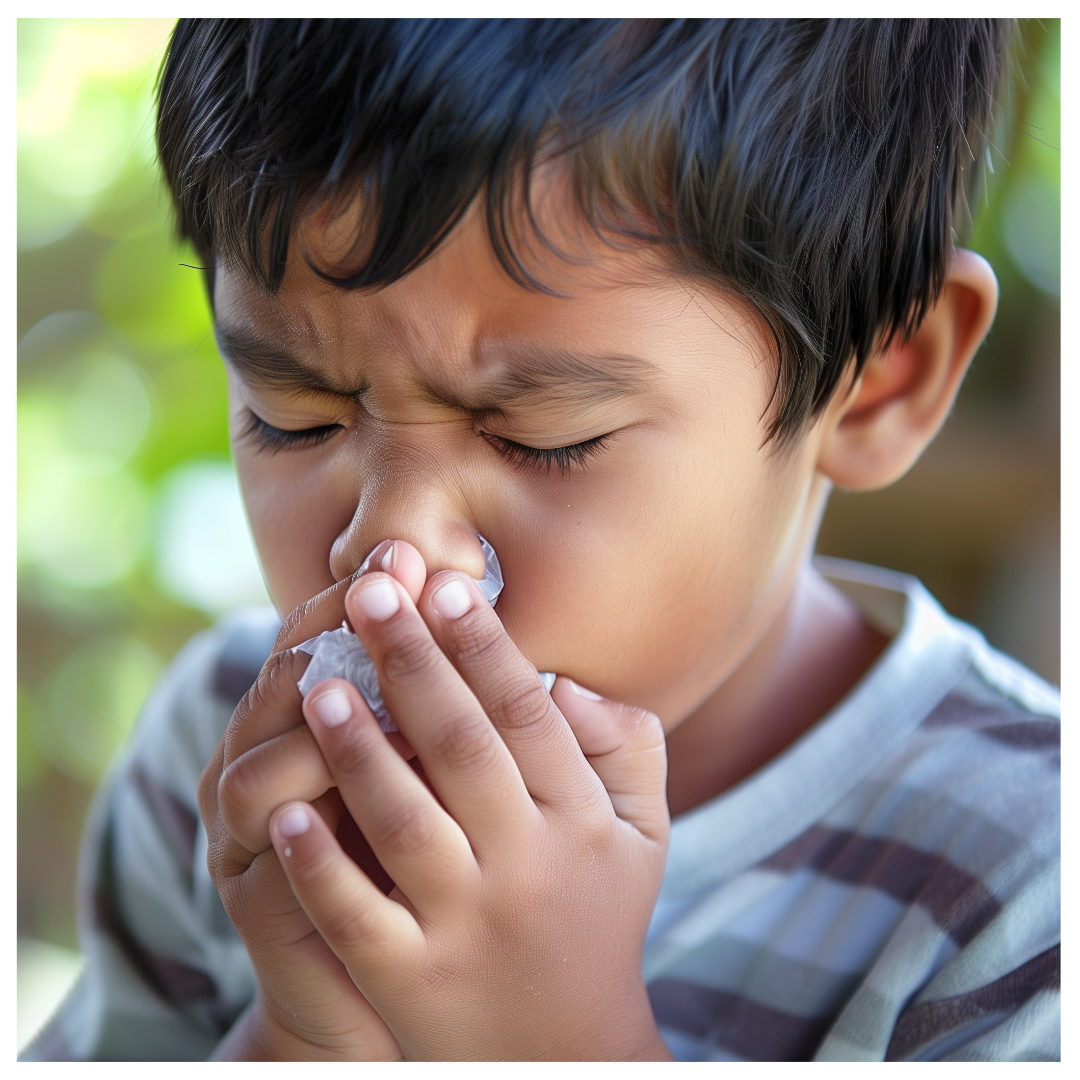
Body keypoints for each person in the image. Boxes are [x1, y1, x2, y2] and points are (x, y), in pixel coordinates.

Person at [25, 18, 1059, 1061]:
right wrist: (301, 1033)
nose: (394, 557)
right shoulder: (229, 769)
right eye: (297, 414)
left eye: (544, 437)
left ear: (878, 380)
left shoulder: (1024, 885)